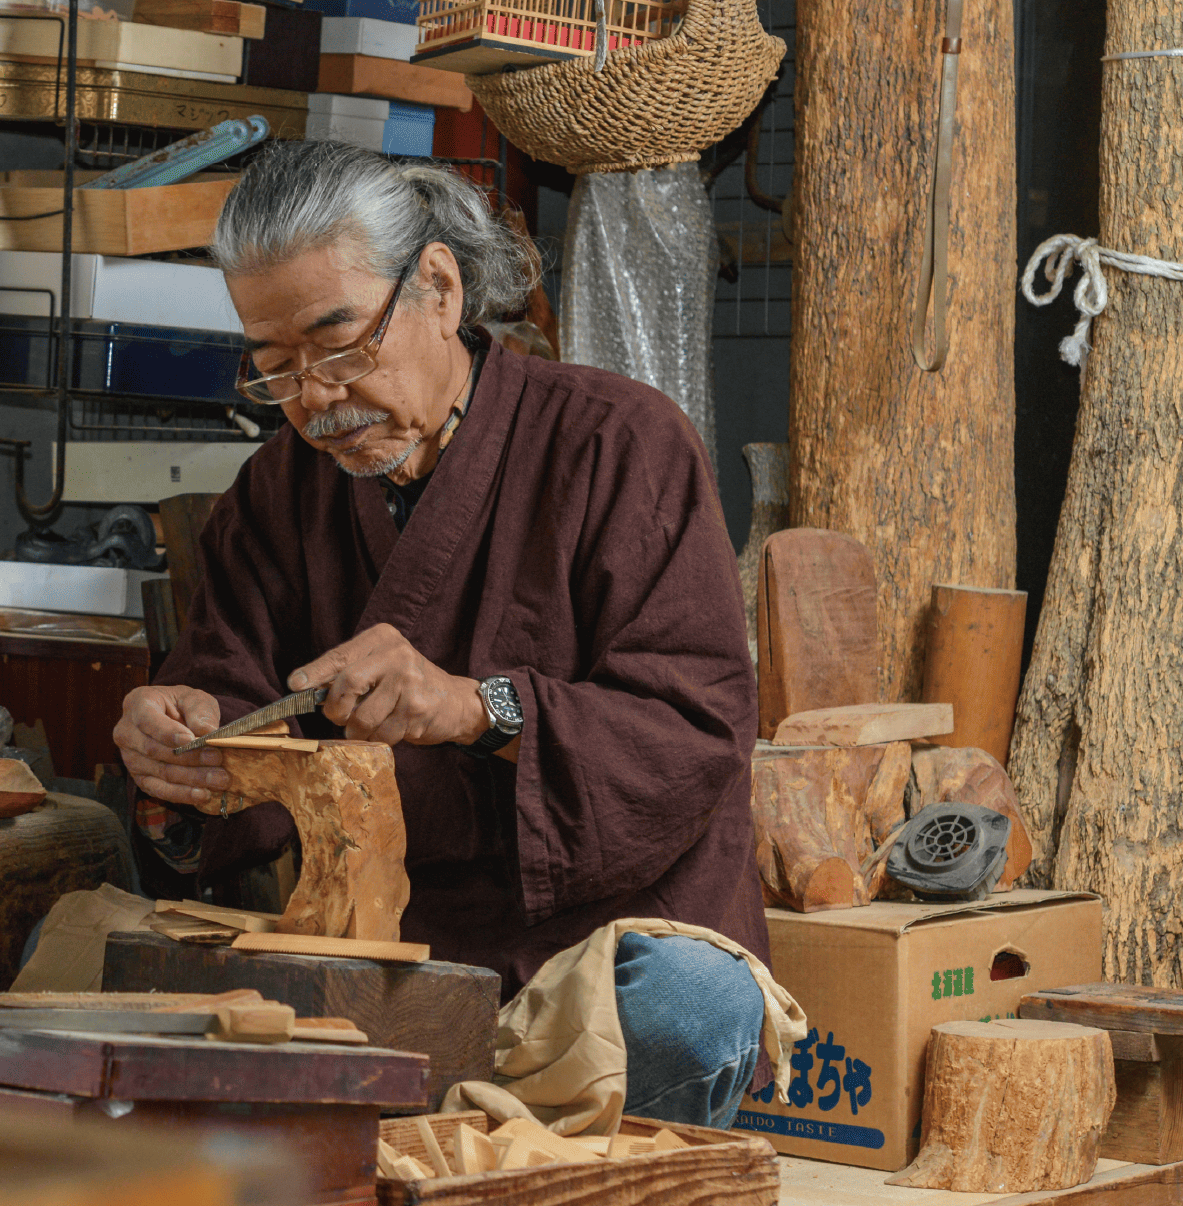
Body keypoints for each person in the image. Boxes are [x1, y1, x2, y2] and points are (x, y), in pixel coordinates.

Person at [111, 141, 770, 1129]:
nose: (316, 400)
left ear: (437, 288)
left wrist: (474, 706)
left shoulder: (616, 443)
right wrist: (184, 748)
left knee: (689, 1002)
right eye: (274, 370)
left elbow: (694, 727)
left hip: (589, 943)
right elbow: (233, 703)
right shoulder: (275, 498)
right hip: (385, 950)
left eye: (339, 349)